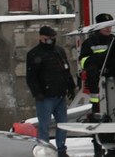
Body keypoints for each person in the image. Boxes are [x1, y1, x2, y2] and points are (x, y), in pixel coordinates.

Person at [27, 25, 75, 155]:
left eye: (53, 37)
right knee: (44, 127)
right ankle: (44, 151)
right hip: (45, 97)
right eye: (48, 37)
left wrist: (71, 86)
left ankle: (61, 149)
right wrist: (37, 93)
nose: (51, 40)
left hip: (60, 95)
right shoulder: (34, 54)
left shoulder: (59, 51)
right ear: (41, 37)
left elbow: (66, 70)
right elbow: (31, 76)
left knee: (63, 125)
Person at [79, 13, 114, 120]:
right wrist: (102, 57)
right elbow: (83, 62)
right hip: (97, 84)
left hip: (114, 78)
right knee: (98, 111)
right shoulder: (89, 42)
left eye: (110, 26)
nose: (108, 28)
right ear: (98, 26)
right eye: (105, 26)